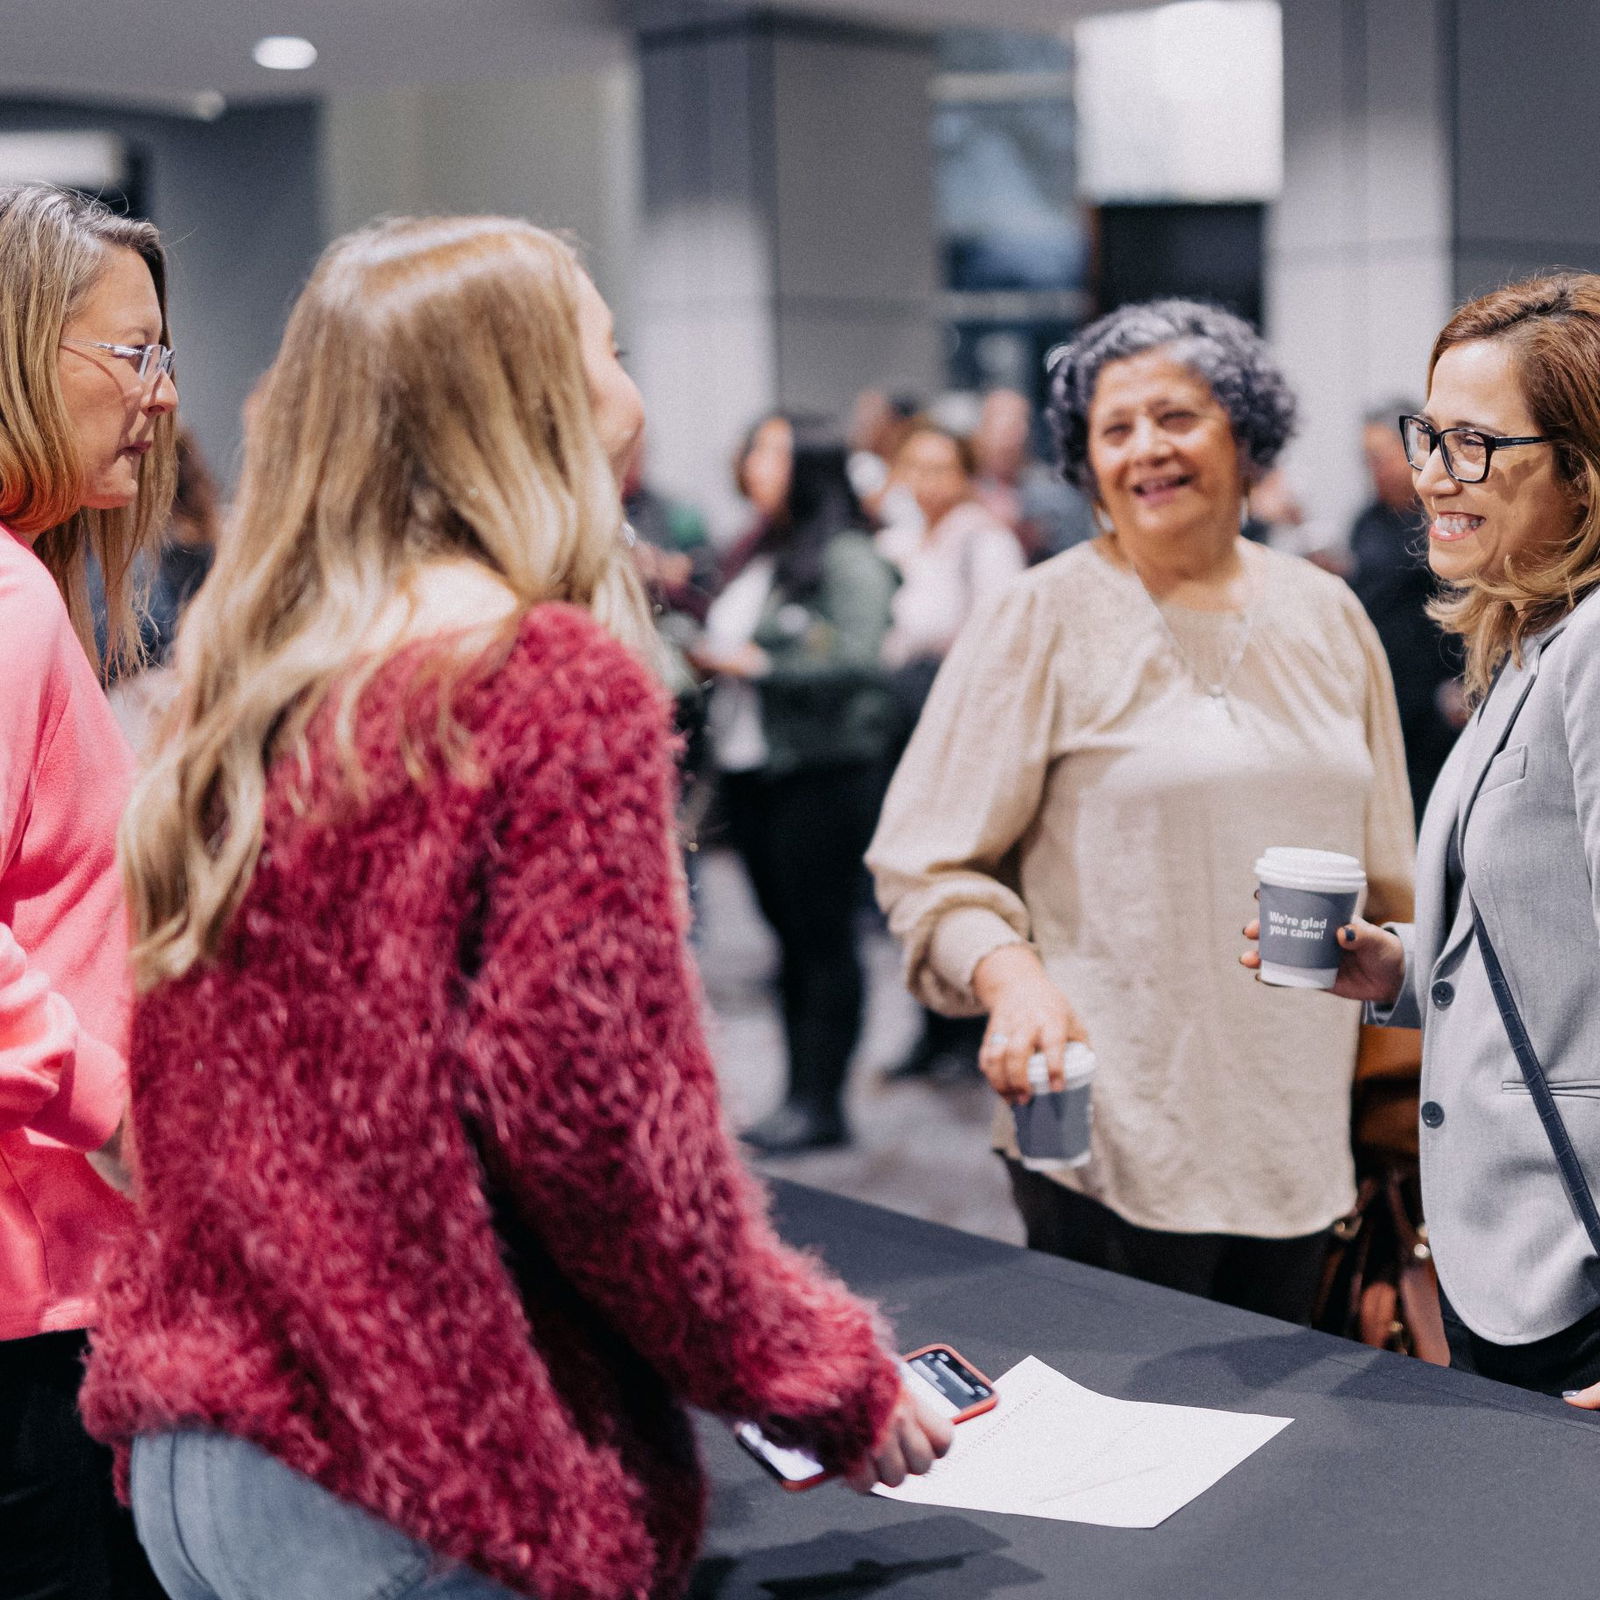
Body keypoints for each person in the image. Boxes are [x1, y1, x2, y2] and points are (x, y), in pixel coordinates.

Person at [80, 218, 948, 1600]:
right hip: (415, 1472)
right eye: (605, 345)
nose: (627, 383)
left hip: (207, 1460)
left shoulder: (255, 688)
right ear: (527, 396)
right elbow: (596, 1125)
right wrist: (815, 1371)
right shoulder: (542, 683)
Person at [870, 299, 1414, 1324]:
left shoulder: (1327, 614)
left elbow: (1391, 879)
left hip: (1297, 1132)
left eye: (1175, 417)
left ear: (1245, 433)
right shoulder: (1041, 614)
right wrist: (1008, 972)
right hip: (1107, 1131)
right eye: (1112, 429)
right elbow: (924, 864)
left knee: (1290, 1448)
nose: (1143, 450)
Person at [1253, 274, 1600, 1397]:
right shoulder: (1538, 635)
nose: (1432, 472)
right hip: (1512, 1242)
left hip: (1575, 1265)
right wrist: (1396, 965)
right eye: (1429, 434)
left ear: (1582, 470)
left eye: (1474, 443)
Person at [0, 182, 176, 1600]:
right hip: (31, 1286)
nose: (159, 399)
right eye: (134, 354)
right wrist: (115, 1107)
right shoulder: (3, 598)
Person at [693, 416, 898, 1154]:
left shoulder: (846, 556)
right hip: (756, 771)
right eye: (753, 449)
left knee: (822, 940)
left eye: (775, 451)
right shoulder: (761, 551)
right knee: (787, 940)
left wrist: (759, 665)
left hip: (823, 773)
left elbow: (859, 657)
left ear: (810, 464)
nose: (756, 463)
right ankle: (797, 1094)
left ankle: (823, 1102)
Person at [876, 420, 1024, 1083]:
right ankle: (927, 1024)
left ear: (965, 473)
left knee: (960, 867)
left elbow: (1001, 642)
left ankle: (968, 1024)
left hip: (961, 725)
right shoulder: (900, 541)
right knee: (909, 869)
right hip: (902, 718)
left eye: (942, 466)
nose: (929, 481)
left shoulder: (984, 543)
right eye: (917, 466)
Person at [1345, 400, 1465, 819]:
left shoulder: (1446, 518)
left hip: (1435, 704)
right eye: (1367, 460)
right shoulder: (1367, 520)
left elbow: (1470, 599)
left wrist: (1467, 682)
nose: (1374, 468)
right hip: (1383, 692)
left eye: (1380, 457)